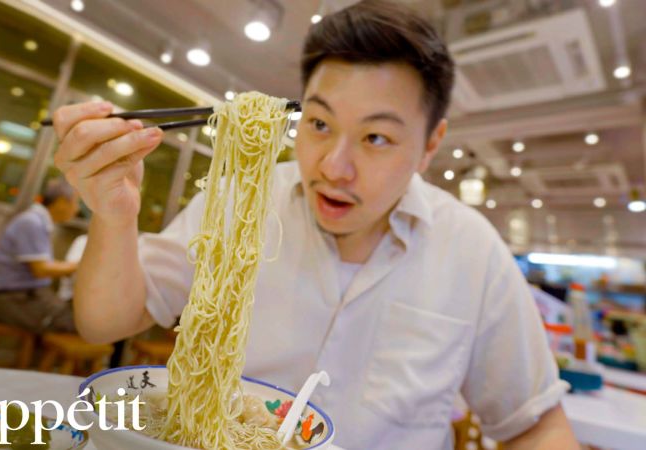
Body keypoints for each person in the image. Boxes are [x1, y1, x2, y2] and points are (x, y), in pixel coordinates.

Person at [50, 1, 579, 448]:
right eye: (319, 124)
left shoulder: (471, 248)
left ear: (430, 145)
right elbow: (105, 322)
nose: (333, 166)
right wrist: (114, 215)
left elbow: (535, 424)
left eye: (376, 138)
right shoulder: (241, 197)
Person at [0, 179, 79, 334]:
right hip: (13, 299)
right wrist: (78, 266)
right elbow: (40, 269)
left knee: (82, 320)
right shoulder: (32, 222)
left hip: (26, 297)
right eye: (75, 203)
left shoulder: (38, 221)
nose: (76, 209)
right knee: (83, 326)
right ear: (61, 202)